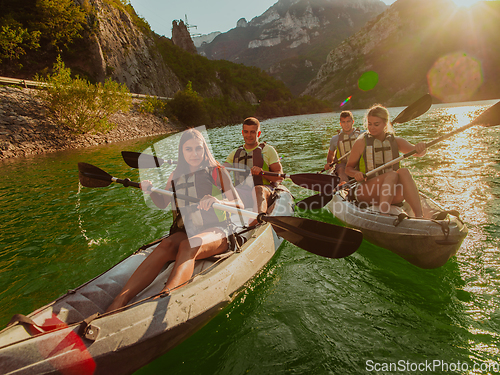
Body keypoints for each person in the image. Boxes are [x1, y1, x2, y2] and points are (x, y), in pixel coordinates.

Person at [107, 128, 242, 312]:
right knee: (165, 245)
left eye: (198, 149)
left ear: (204, 149)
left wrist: (218, 200)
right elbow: (162, 202)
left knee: (189, 245)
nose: (194, 154)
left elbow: (239, 204)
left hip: (217, 232)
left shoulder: (218, 171)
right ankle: (119, 301)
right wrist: (151, 190)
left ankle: (165, 297)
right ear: (182, 151)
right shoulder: (175, 175)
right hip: (187, 230)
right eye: (189, 149)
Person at [345, 104, 427, 217]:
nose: (372, 127)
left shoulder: (395, 141)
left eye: (376, 124)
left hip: (392, 193)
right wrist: (356, 174)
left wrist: (421, 148)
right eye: (369, 124)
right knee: (392, 175)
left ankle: (419, 216)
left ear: (385, 124)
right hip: (367, 191)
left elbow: (418, 153)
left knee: (404, 171)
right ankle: (384, 215)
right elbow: (348, 169)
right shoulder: (361, 143)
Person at [224, 117, 283, 224]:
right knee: (228, 191)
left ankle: (258, 219)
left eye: (252, 132)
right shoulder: (235, 153)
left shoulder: (268, 150)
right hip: (243, 192)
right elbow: (222, 173)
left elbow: (279, 177)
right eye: (246, 132)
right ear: (242, 133)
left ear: (258, 134)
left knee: (257, 189)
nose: (249, 135)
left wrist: (262, 173)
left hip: (264, 190)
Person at [324, 110, 362, 183]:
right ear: (340, 124)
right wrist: (329, 163)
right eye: (343, 122)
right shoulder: (335, 139)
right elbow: (331, 154)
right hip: (343, 165)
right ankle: (344, 187)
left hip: (358, 163)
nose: (346, 124)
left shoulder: (362, 134)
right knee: (341, 169)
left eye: (348, 121)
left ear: (352, 122)